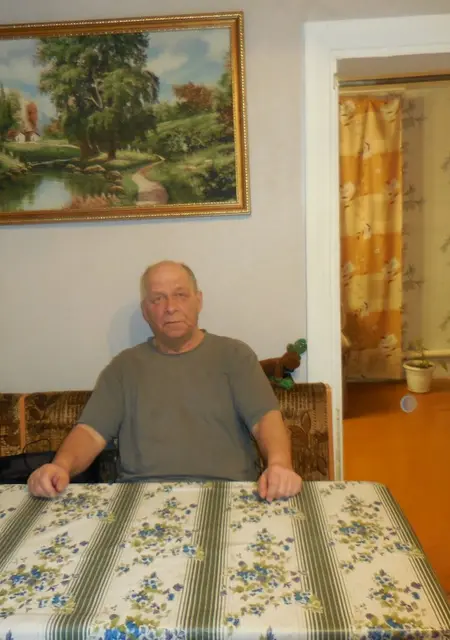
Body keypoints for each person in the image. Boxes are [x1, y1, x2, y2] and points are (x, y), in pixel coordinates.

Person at [28, 261, 303, 501]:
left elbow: (265, 419)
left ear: (199, 300)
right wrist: (60, 466)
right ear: (145, 311)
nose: (170, 307)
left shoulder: (235, 356)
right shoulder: (124, 367)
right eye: (157, 299)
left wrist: (279, 465)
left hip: (228, 493)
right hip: (140, 497)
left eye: (180, 295)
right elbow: (91, 432)